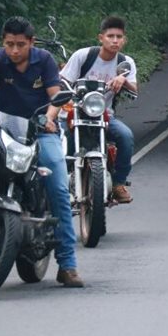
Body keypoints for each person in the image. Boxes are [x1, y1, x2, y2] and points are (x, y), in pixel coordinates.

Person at [0, 17, 83, 288]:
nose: (14, 50)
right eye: (9, 44)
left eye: (20, 45)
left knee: (57, 183)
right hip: (5, 131)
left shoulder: (43, 60)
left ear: (31, 43)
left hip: (40, 131)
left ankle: (67, 264)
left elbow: (56, 95)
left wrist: (49, 116)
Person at [60, 16, 139, 204]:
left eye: (119, 36)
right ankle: (59, 186)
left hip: (103, 116)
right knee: (61, 149)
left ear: (124, 40)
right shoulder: (83, 56)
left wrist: (123, 80)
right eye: (110, 36)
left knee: (125, 136)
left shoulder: (125, 63)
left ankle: (119, 183)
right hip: (74, 113)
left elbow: (134, 90)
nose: (115, 40)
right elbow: (62, 81)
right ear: (101, 38)